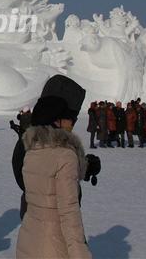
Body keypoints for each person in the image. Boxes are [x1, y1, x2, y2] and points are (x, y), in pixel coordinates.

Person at [15, 92, 92, 259]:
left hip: (29, 239)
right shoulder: (65, 156)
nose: (72, 123)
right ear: (57, 121)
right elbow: (69, 211)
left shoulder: (32, 151)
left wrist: (85, 165)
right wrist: (80, 253)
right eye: (69, 118)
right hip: (54, 245)